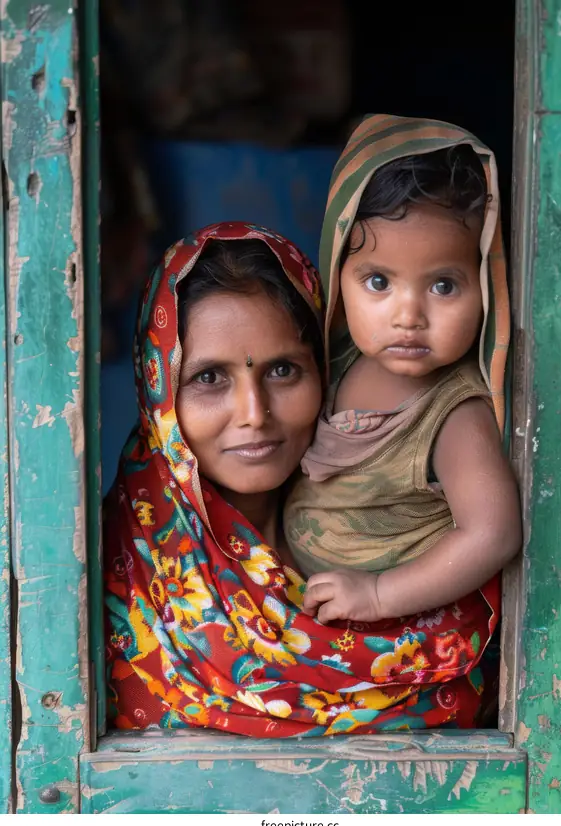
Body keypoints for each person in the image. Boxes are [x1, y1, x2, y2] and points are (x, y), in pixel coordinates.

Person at [105, 220, 501, 735]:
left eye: (283, 370)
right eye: (209, 378)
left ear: (324, 369)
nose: (254, 412)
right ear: (158, 389)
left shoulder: (414, 536)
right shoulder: (118, 571)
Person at [284, 115, 521, 634]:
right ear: (338, 274)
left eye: (442, 286)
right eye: (377, 281)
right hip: (318, 611)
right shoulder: (336, 362)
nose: (408, 315)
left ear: (486, 287)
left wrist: (376, 593)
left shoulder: (454, 412)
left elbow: (493, 534)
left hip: (397, 634)